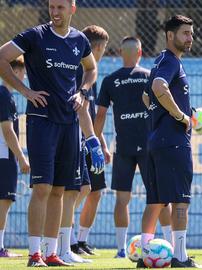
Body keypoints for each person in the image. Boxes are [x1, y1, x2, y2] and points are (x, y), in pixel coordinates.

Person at [0, 0, 104, 266]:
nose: (55, 12)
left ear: (72, 9)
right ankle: (35, 254)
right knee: (43, 188)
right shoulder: (35, 36)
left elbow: (92, 68)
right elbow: (1, 56)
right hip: (41, 121)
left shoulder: (79, 40)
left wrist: (82, 91)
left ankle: (51, 252)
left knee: (60, 189)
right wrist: (25, 91)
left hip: (69, 123)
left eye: (60, 7)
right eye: (52, 7)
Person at [137, 14, 202, 268]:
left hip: (156, 140)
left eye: (191, 32)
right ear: (170, 36)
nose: (190, 37)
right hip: (173, 141)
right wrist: (180, 116)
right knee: (180, 199)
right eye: (185, 33)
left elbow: (147, 98)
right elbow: (157, 87)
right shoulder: (170, 62)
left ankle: (146, 257)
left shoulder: (160, 61)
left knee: (156, 200)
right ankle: (180, 257)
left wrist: (178, 110)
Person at [95, 36, 172, 259]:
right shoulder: (151, 76)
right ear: (140, 53)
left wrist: (98, 141)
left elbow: (100, 115)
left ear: (121, 52)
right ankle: (168, 244)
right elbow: (165, 108)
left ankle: (121, 249)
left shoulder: (110, 80)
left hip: (124, 148)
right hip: (151, 147)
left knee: (122, 198)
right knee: (160, 197)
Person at [58, 25, 109, 264]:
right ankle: (60, 241)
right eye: (103, 49)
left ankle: (64, 241)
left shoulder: (90, 73)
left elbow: (89, 110)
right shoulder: (81, 70)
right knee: (69, 191)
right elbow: (84, 110)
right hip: (71, 135)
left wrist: (97, 142)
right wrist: (93, 141)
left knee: (84, 189)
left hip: (82, 137)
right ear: (96, 47)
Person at [0, 56, 29, 258]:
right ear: (15, 72)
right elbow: (7, 130)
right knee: (3, 201)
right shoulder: (4, 95)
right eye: (23, 73)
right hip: (4, 156)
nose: (24, 77)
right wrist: (21, 156)